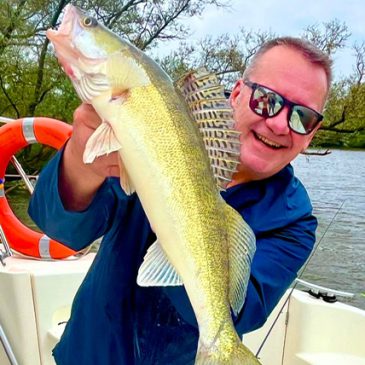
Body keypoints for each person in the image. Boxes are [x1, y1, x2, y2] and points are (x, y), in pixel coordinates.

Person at [29, 36, 332, 365]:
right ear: (237, 95)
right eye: (266, 100)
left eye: (302, 117)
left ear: (311, 136)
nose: (277, 123)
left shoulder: (295, 220)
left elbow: (241, 311)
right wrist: (79, 160)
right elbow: (64, 231)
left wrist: (186, 216)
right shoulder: (150, 132)